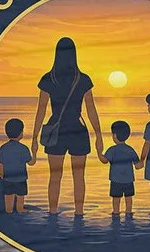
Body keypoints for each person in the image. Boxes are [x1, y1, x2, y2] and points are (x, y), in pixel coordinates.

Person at [30, 36, 103, 215]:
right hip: (78, 130)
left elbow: (41, 111)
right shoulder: (83, 79)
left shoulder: (49, 79)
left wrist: (34, 138)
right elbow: (91, 110)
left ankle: (52, 213)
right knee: (79, 178)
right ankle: (79, 214)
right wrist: (99, 136)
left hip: (56, 131)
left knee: (55, 177)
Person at [101, 121, 141, 219]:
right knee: (128, 198)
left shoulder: (112, 150)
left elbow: (105, 161)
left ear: (114, 135)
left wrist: (99, 154)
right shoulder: (130, 149)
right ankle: (128, 213)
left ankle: (116, 213)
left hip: (116, 180)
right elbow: (138, 164)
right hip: (129, 180)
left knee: (116, 199)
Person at [0, 117, 33, 214]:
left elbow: (0, 163)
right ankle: (20, 209)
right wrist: (35, 153)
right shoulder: (24, 148)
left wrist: (2, 176)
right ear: (21, 133)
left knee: (8, 197)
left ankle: (9, 210)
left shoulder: (3, 148)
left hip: (8, 178)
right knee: (20, 197)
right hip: (21, 179)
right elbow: (30, 162)